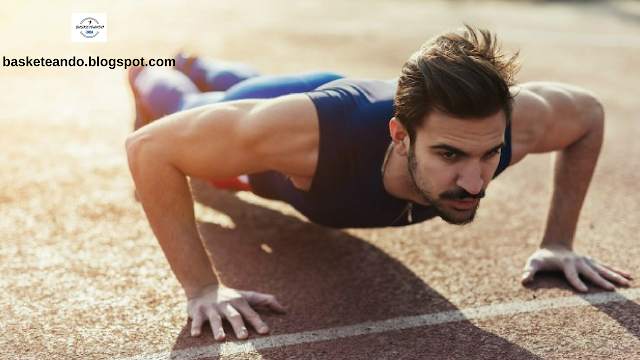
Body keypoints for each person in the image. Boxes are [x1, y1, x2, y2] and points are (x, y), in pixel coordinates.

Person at [125, 25, 633, 342]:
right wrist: (203, 290)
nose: (476, 182)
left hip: (321, 104)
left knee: (244, 89)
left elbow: (587, 112)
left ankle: (200, 63)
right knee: (193, 117)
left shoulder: (515, 124)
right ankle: (151, 69)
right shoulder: (315, 138)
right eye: (449, 154)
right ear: (401, 136)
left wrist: (559, 242)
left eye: (490, 153)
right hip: (304, 120)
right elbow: (148, 148)